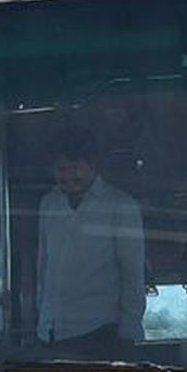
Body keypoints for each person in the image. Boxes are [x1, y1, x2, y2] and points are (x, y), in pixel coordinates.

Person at [36, 127, 145, 358]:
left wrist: (128, 332)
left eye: (75, 168)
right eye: (61, 169)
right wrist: (41, 314)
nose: (68, 177)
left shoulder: (121, 206)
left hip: (101, 334)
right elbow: (44, 265)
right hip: (49, 333)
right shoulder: (48, 204)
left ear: (93, 165)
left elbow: (132, 274)